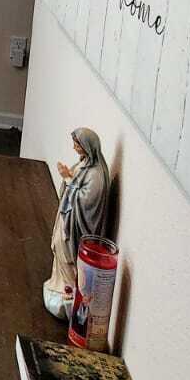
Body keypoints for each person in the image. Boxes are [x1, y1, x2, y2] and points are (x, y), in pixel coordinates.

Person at [43, 127, 111, 319]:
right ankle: (60, 286)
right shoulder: (84, 164)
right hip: (67, 218)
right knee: (59, 247)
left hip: (76, 228)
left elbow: (86, 202)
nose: (74, 148)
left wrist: (67, 178)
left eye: (77, 145)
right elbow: (73, 186)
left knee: (67, 253)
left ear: (87, 146)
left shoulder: (96, 175)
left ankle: (71, 292)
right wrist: (69, 178)